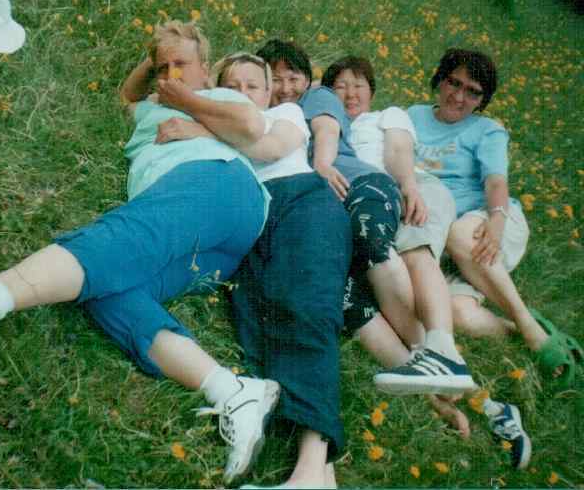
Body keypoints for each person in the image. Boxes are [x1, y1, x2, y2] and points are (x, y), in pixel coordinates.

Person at [0, 20, 282, 485]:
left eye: (182, 64)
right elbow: (126, 96)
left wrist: (188, 101)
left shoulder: (218, 97)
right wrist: (155, 63)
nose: (171, 74)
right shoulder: (149, 107)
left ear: (205, 68)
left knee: (124, 237)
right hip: (214, 250)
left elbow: (251, 124)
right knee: (107, 290)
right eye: (163, 67)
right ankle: (233, 392)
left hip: (221, 186)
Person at [320, 54, 532, 469]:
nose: (349, 93)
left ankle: (443, 350)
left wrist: (409, 187)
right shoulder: (323, 126)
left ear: (373, 91)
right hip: (365, 220)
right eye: (339, 86)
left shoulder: (388, 117)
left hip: (409, 195)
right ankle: (484, 404)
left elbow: (400, 150)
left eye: (358, 85)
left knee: (412, 254)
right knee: (369, 305)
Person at [154, 51, 351, 489]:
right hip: (247, 216)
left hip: (301, 201)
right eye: (233, 86)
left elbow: (268, 147)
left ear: (268, 94)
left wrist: (196, 122)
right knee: (255, 325)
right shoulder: (215, 119)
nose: (243, 94)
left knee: (307, 307)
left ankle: (309, 467)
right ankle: (319, 475)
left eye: (253, 86)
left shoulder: (285, 115)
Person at [257, 40, 477, 396]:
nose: (285, 88)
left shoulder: (317, 97)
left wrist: (322, 165)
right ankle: (427, 382)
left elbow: (328, 130)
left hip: (359, 185)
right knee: (344, 294)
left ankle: (438, 352)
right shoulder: (264, 111)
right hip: (324, 210)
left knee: (378, 241)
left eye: (293, 78)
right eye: (275, 79)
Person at [408, 48, 583, 389]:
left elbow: (496, 181)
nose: (459, 97)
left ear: (482, 100)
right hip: (443, 243)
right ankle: (525, 332)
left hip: (486, 221)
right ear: (439, 80)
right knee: (456, 314)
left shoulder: (487, 130)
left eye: (472, 92)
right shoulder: (412, 116)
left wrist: (497, 221)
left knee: (460, 233)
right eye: (453, 83)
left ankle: (530, 330)